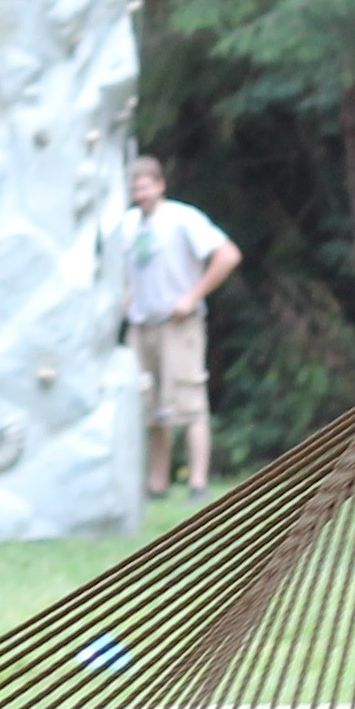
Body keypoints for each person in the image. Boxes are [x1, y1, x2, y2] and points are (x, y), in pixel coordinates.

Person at [119, 154, 242, 501]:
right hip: (142, 326)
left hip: (179, 325)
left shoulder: (182, 218)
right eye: (134, 190)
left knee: (189, 403)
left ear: (160, 185)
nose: (139, 195)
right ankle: (157, 484)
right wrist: (125, 297)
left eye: (144, 188)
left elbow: (228, 255)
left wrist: (192, 296)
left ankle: (198, 483)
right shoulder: (128, 225)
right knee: (149, 405)